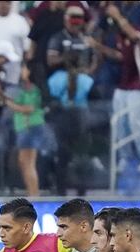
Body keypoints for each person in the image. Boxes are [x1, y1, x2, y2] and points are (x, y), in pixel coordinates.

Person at [94, 1, 140, 172]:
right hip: (122, 82)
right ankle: (125, 157)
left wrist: (118, 17)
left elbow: (138, 37)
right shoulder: (121, 39)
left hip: (139, 83)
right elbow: (119, 55)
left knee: (136, 121)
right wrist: (97, 46)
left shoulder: (137, 34)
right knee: (119, 121)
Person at [47, 50, 95, 196]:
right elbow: (95, 98)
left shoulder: (54, 79)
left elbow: (51, 98)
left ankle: (61, 190)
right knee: (82, 156)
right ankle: (82, 192)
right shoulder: (86, 80)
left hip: (62, 119)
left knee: (62, 157)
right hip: (81, 120)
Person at [0, 198, 71, 252]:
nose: (1, 234)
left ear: (26, 227)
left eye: (7, 228)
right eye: (0, 227)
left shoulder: (57, 243)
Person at [8, 63, 44, 198]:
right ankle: (31, 191)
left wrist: (8, 103)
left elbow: (29, 108)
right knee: (24, 161)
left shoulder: (31, 89)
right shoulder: (24, 88)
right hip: (24, 127)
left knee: (28, 162)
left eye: (23, 68)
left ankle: (34, 194)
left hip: (29, 126)